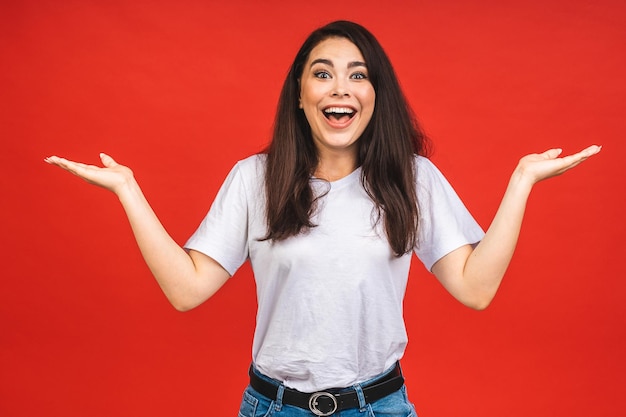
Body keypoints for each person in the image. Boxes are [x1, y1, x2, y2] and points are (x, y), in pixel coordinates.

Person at [45, 20, 600, 417]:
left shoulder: (412, 179)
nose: (341, 89)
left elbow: (476, 289)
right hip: (274, 406)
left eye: (358, 76)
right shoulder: (254, 179)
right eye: (323, 74)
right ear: (301, 94)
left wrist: (521, 182)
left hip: (379, 405)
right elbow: (186, 290)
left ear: (375, 95)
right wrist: (128, 190)